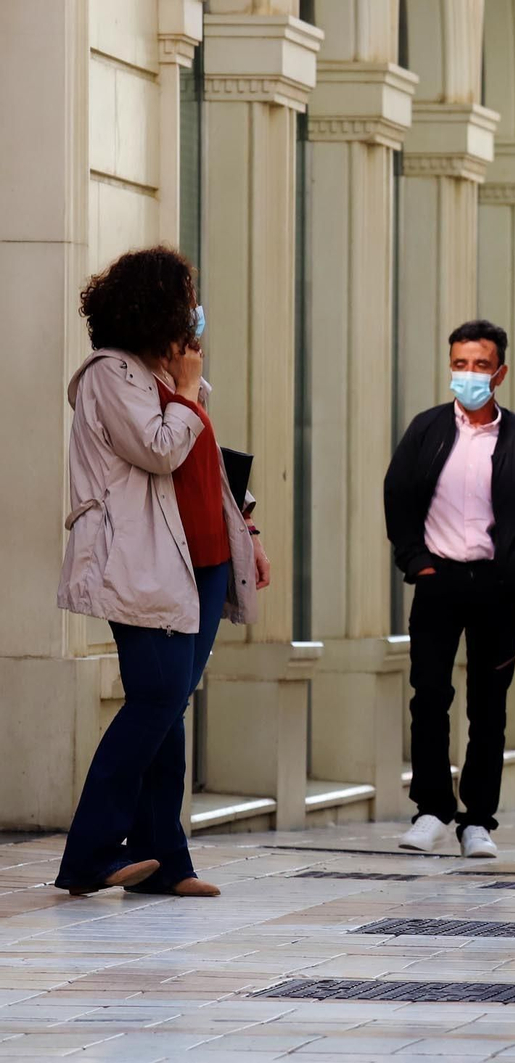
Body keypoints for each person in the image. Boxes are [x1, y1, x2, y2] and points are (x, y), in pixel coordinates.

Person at [54, 246, 269, 897]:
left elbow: (205, 466)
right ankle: (90, 854)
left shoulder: (164, 374)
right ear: (155, 306)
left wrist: (247, 531)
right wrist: (187, 391)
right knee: (155, 701)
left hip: (204, 561)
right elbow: (160, 450)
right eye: (187, 298)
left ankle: (164, 860)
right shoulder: (110, 374)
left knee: (168, 704)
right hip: (145, 565)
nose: (195, 313)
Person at [383, 320, 515, 860]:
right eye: (460, 364)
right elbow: (398, 495)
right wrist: (417, 563)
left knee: (489, 706)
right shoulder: (428, 429)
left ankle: (478, 820)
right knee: (430, 696)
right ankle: (431, 810)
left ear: (500, 372)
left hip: (497, 586)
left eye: (481, 365)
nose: (470, 374)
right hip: (438, 582)